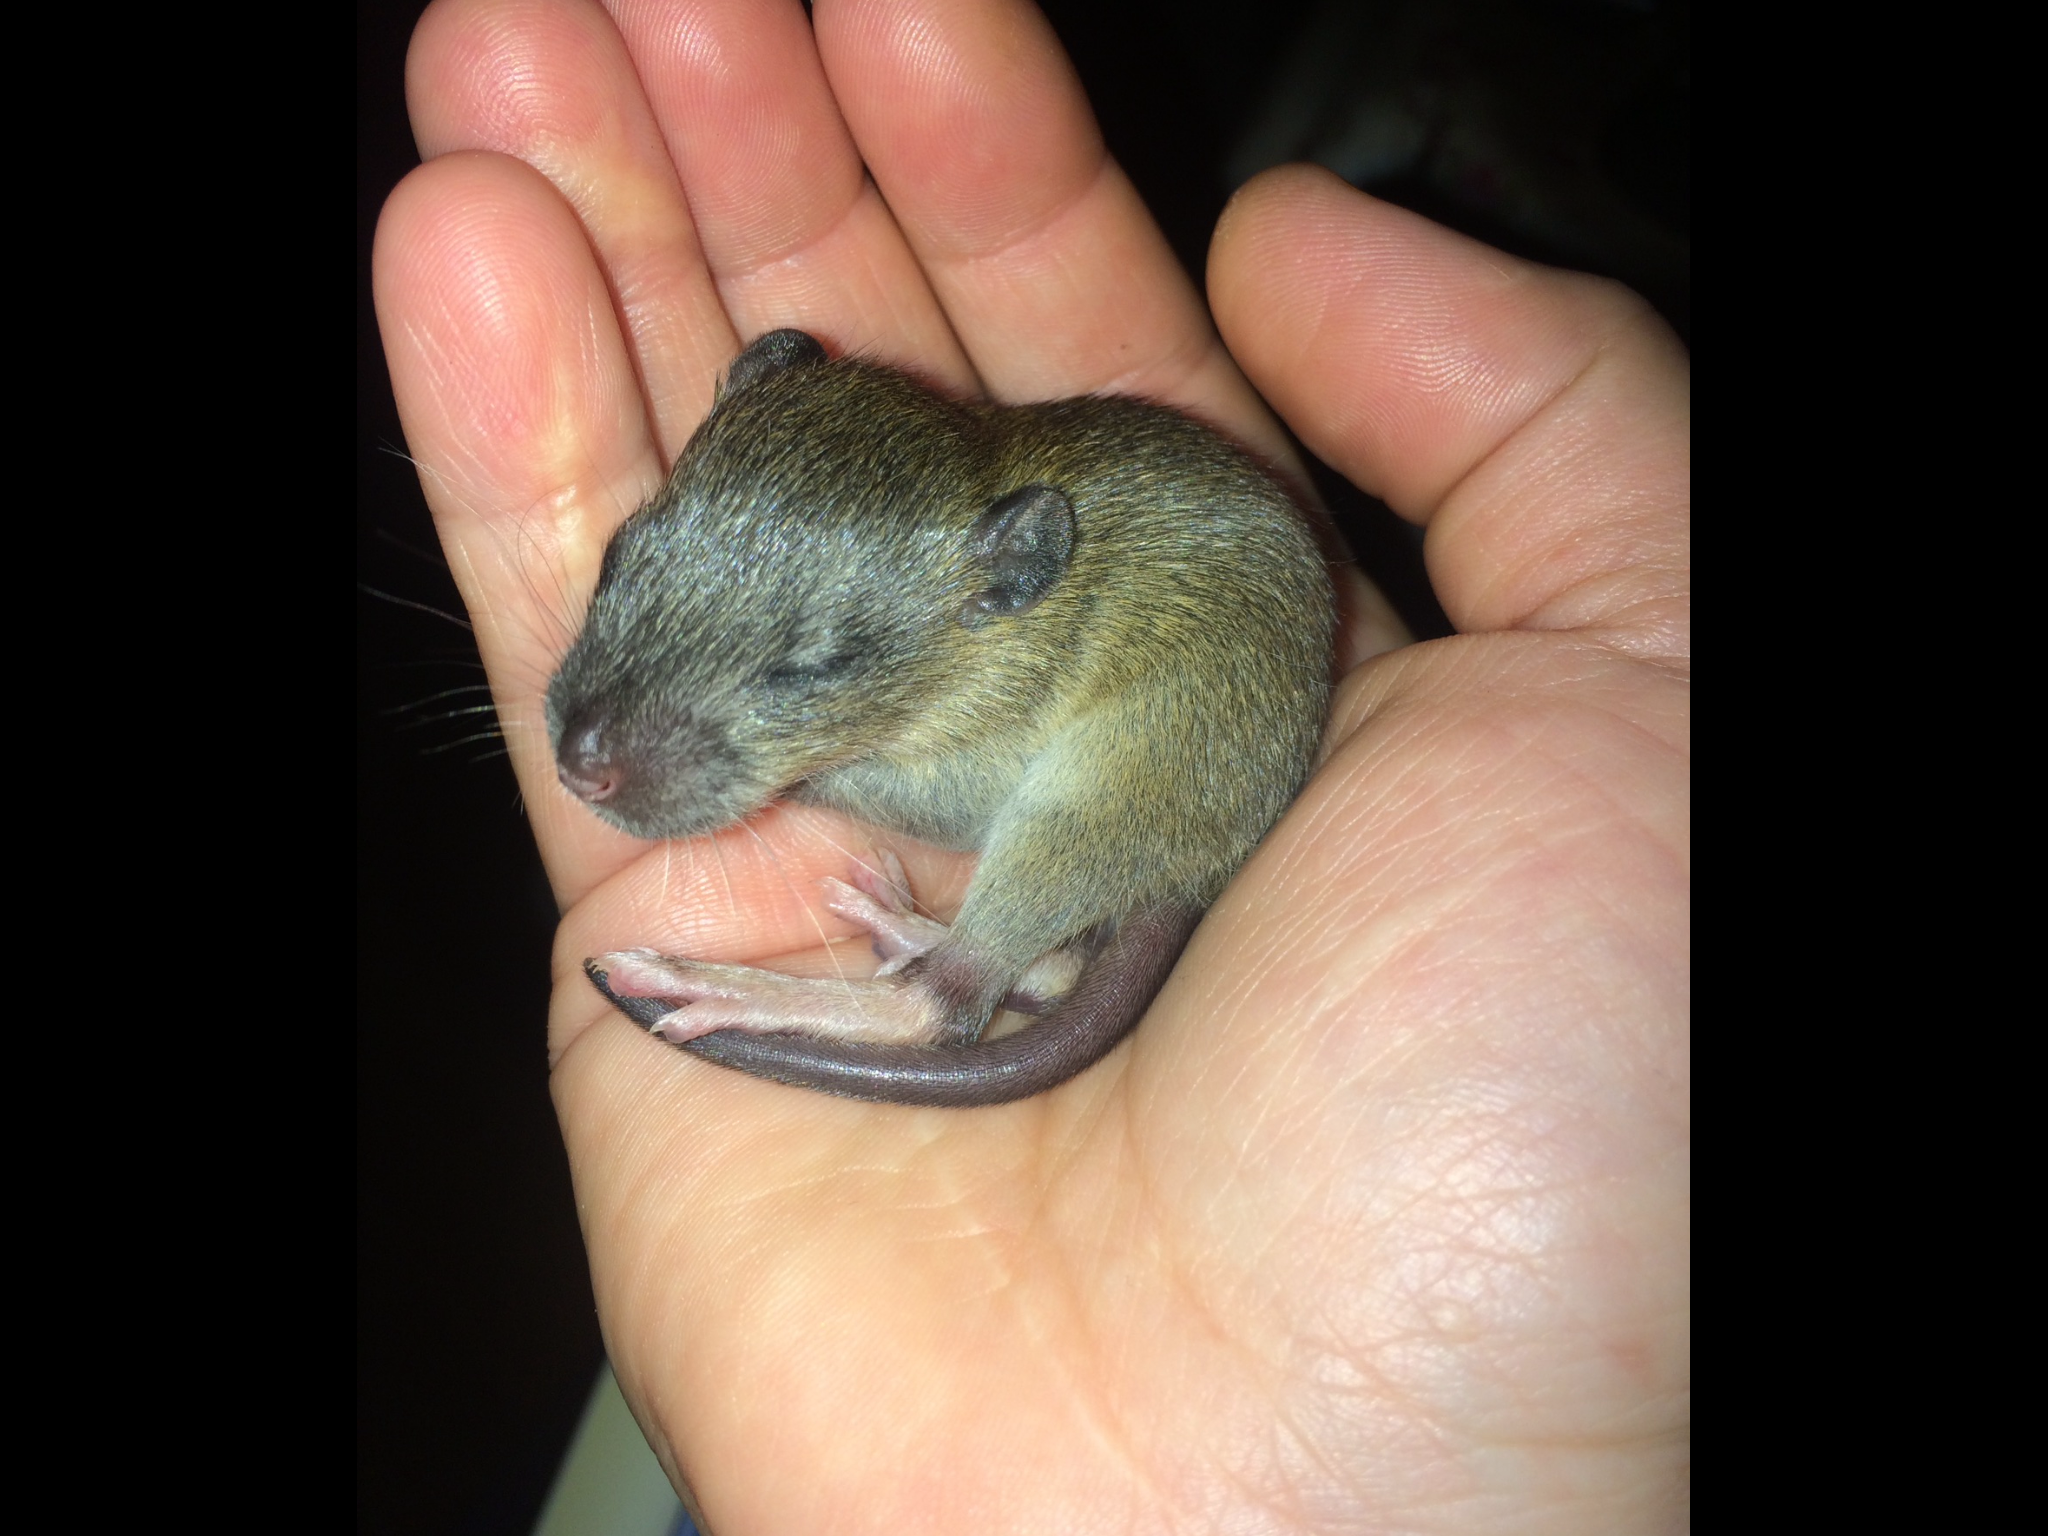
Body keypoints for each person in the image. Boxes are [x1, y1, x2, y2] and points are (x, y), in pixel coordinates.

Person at [374, 1, 1689, 1529]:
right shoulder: (923, 586)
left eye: (798, 668)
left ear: (1004, 582)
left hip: (1175, 746)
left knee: (1070, 800)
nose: (595, 748)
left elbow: (964, 787)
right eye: (633, 574)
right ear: (756, 387)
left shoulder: (1000, 629)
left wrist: (834, 797)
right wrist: (788, 741)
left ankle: (951, 988)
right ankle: (1013, 960)